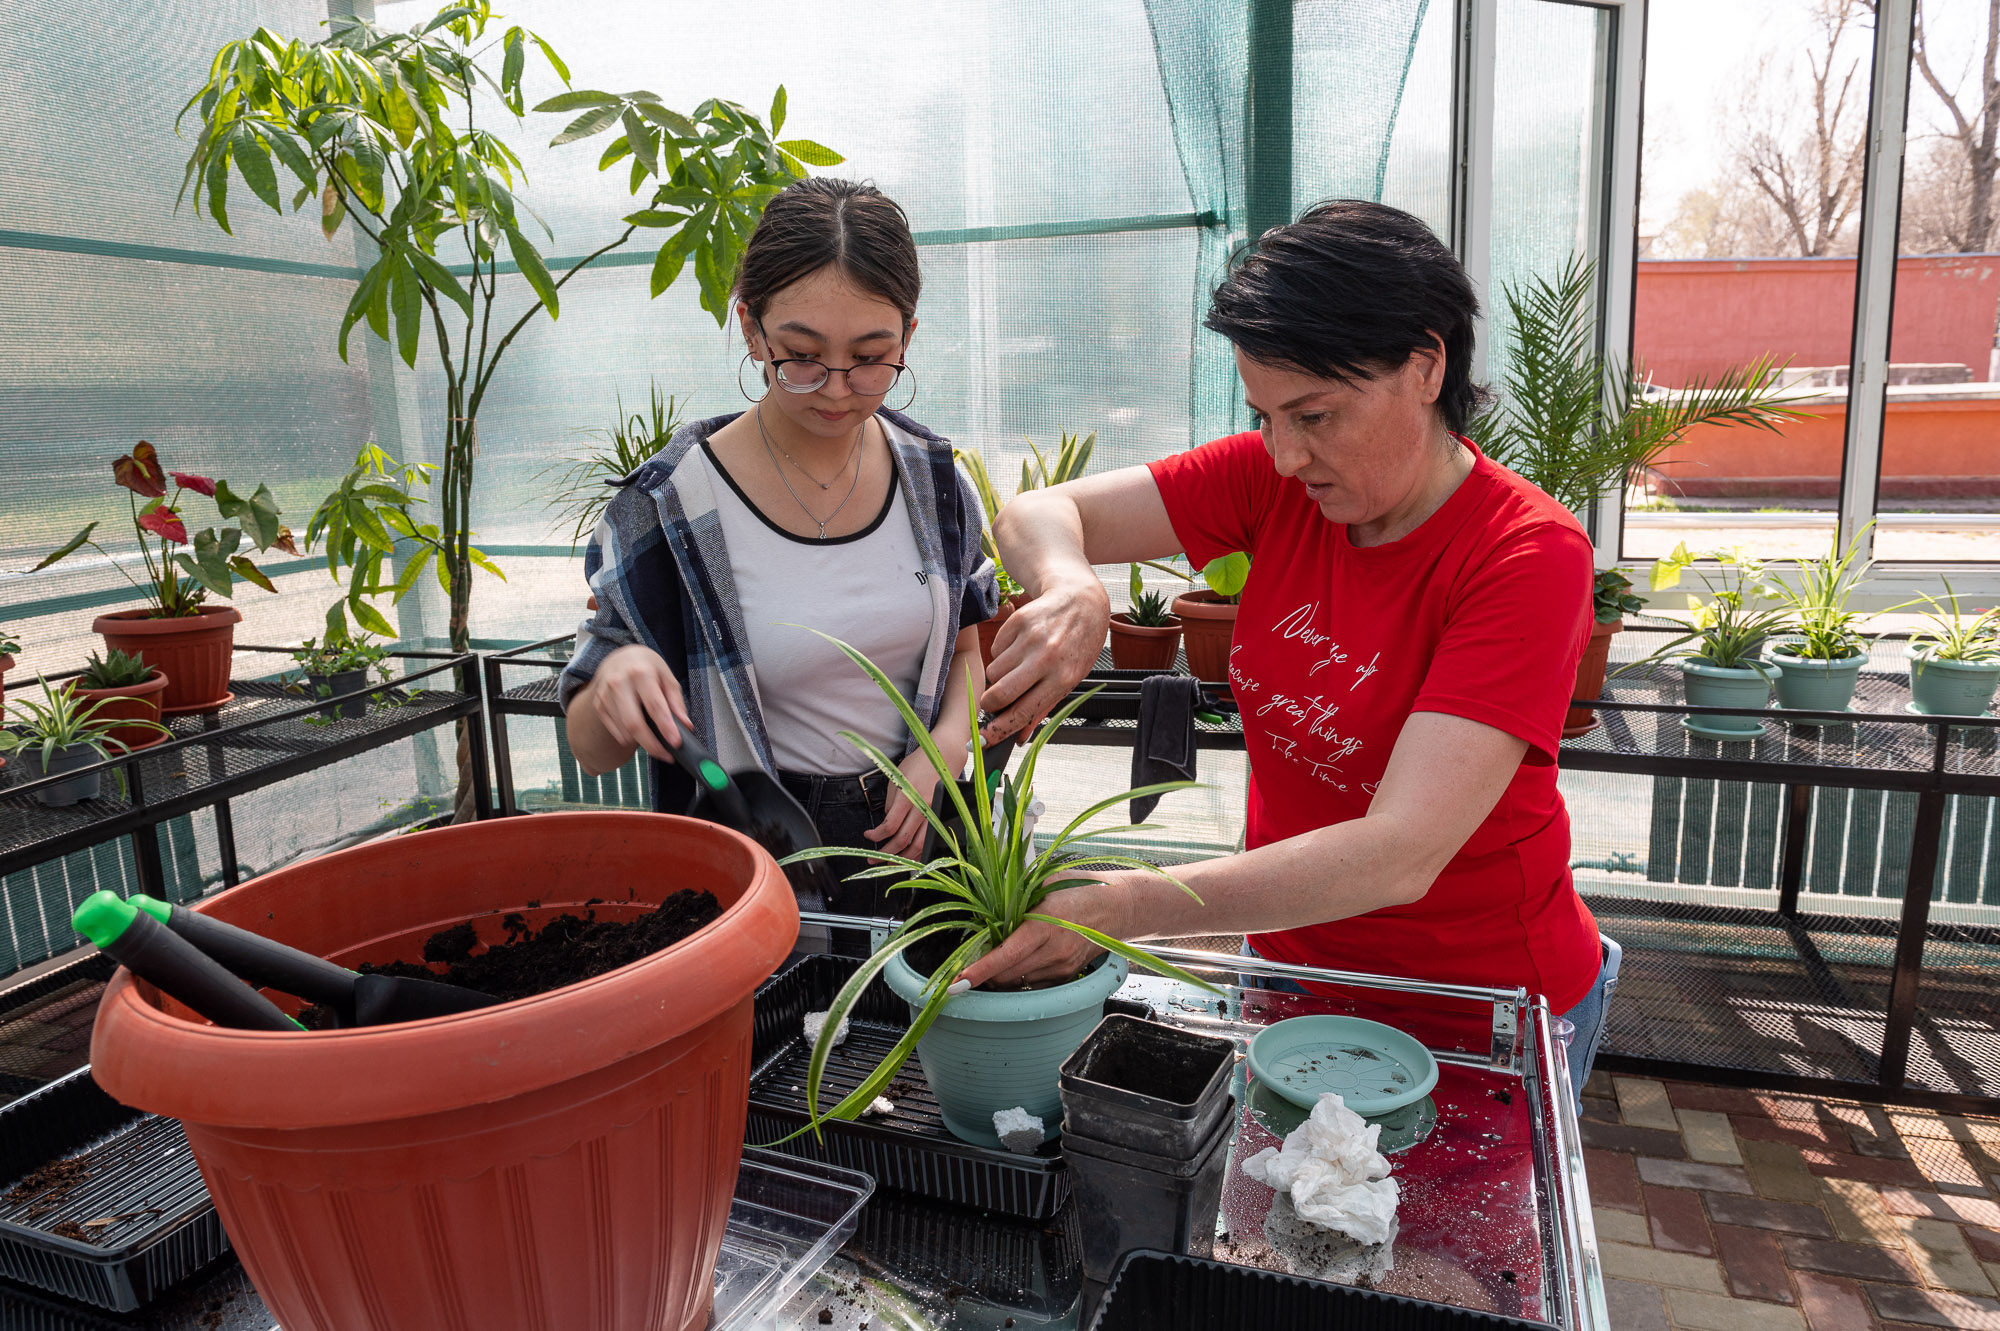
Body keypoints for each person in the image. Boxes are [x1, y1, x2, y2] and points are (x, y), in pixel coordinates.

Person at [967, 200, 1616, 1097]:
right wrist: (1073, 584)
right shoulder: (1276, 485)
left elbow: (1401, 850)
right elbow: (1038, 512)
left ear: (1426, 366)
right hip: (1288, 974)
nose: (1284, 454)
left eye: (1314, 415)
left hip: (1476, 1009)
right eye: (1265, 416)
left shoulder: (1524, 554)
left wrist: (1126, 905)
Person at [559, 177, 998, 926]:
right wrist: (612, 684)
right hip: (755, 854)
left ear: (908, 336)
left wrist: (946, 747)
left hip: (927, 844)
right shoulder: (670, 505)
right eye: (801, 355)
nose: (836, 389)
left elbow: (965, 647)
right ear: (751, 328)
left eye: (872, 357)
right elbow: (592, 751)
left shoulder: (935, 481)